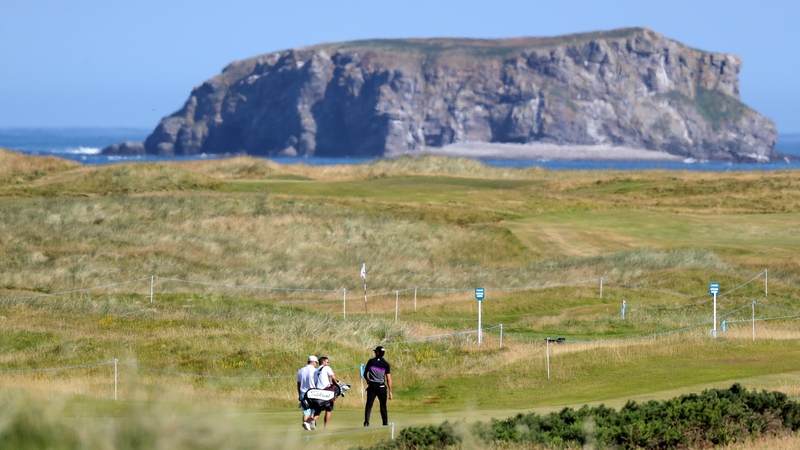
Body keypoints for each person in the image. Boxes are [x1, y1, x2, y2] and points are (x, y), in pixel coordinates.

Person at [363, 345, 392, 427]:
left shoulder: (371, 361)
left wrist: (367, 380)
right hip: (381, 387)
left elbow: (365, 373)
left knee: (369, 404)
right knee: (383, 405)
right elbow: (388, 379)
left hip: (372, 386)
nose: (375, 353)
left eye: (375, 351)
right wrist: (390, 391)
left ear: (378, 353)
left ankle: (366, 422)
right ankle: (385, 423)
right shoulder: (386, 364)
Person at [313, 356, 339, 429]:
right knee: (328, 409)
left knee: (319, 409)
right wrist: (336, 382)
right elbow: (333, 377)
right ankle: (325, 427)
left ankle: (312, 420)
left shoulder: (316, 370)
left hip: (317, 392)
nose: (328, 364)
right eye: (327, 362)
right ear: (323, 362)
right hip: (326, 392)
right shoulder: (327, 368)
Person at [296, 355, 318, 430]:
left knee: (306, 412)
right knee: (312, 412)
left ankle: (308, 427)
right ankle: (307, 425)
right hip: (313, 393)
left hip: (303, 393)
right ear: (314, 362)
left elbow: (298, 384)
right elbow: (316, 383)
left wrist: (299, 394)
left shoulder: (300, 370)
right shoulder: (315, 370)